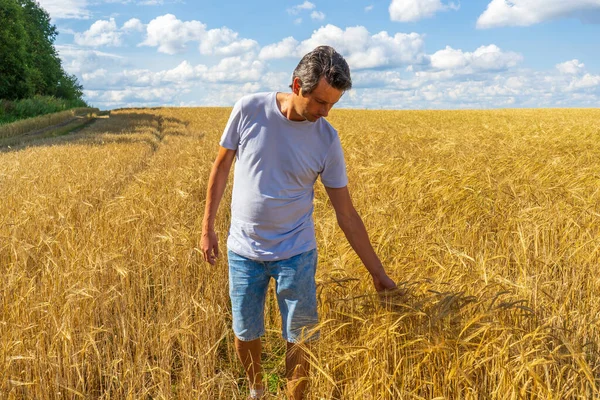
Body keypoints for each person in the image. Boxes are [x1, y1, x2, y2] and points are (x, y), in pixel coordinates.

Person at [201, 45, 397, 400]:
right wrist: (207, 228)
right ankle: (257, 389)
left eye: (333, 104)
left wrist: (377, 272)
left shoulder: (327, 140)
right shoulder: (249, 109)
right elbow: (221, 168)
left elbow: (347, 214)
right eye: (321, 103)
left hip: (297, 252)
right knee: (245, 333)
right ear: (296, 86)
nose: (326, 113)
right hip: (244, 249)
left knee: (301, 336)